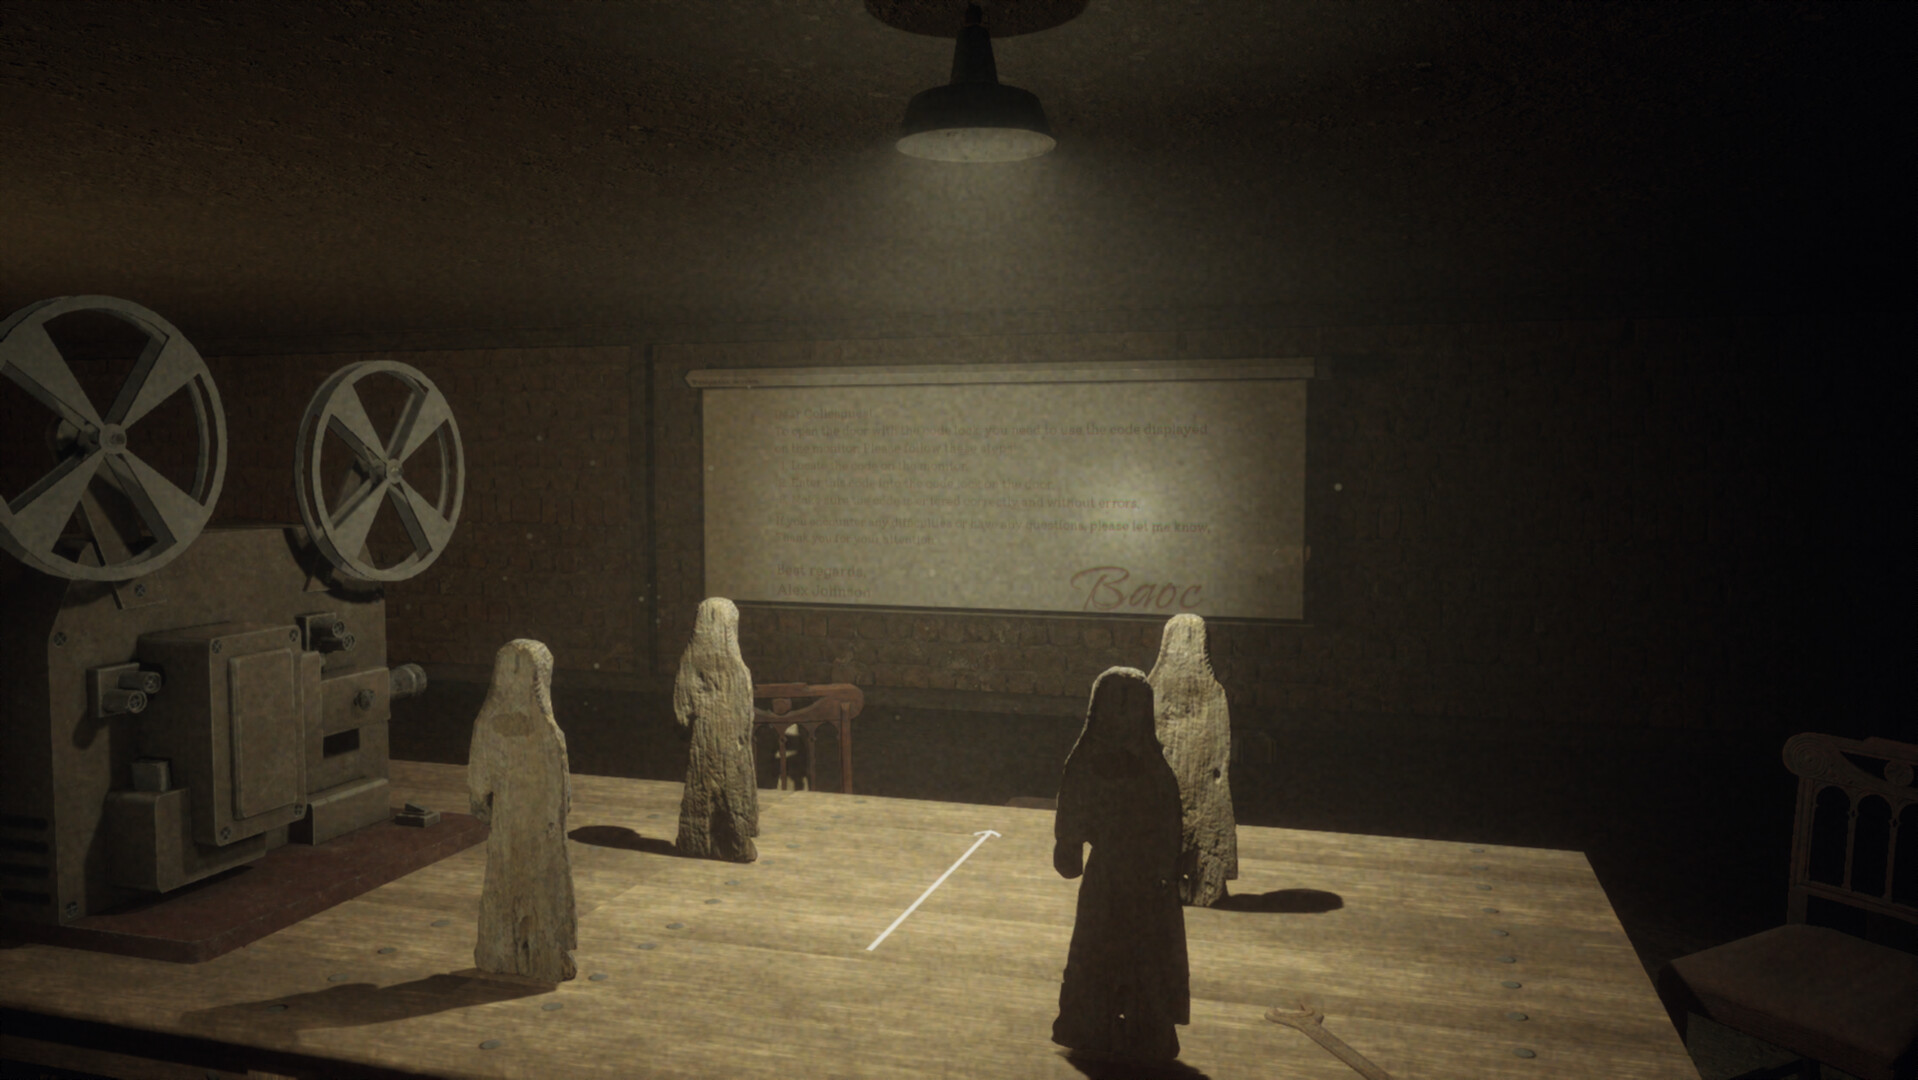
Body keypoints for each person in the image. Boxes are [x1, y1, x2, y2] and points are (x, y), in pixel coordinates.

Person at [1052, 666, 1190, 1061]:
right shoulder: (1145, 763)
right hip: (1131, 875)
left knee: (1112, 948)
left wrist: (1069, 848)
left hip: (1124, 874)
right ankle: (1121, 1029)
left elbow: (1166, 819)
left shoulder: (1105, 759)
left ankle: (1115, 1028)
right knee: (1130, 951)